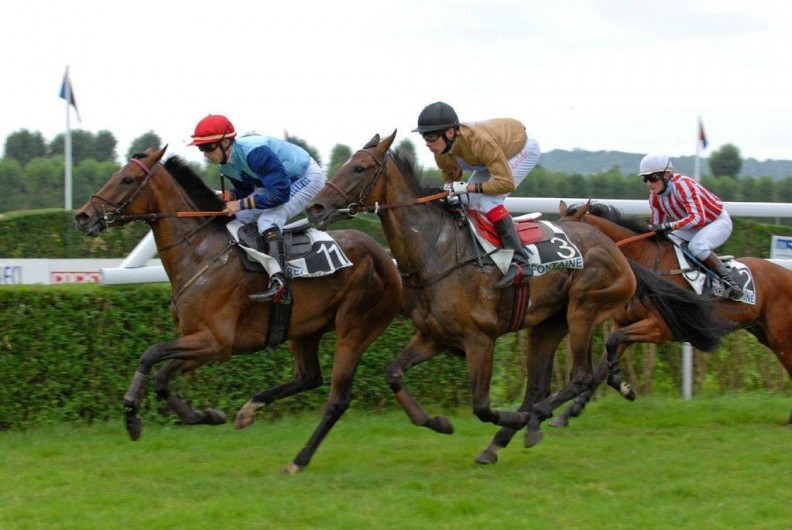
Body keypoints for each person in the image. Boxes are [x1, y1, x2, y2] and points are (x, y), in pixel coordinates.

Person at [189, 114, 326, 304]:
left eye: (208, 147)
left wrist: (240, 203)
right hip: (277, 183)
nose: (205, 154)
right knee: (237, 217)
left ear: (226, 142)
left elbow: (280, 194)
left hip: (306, 176)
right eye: (201, 148)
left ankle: (280, 282)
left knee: (268, 220)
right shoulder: (225, 166)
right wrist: (230, 197)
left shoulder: (255, 153)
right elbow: (245, 190)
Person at [412, 101, 541, 289]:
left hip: (521, 150)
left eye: (431, 137)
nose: (427, 143)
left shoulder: (478, 142)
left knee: (489, 200)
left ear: (450, 133)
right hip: (489, 158)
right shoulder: (440, 152)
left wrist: (469, 187)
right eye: (424, 137)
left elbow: (505, 184)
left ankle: (520, 262)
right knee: (464, 200)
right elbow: (452, 184)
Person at [639, 153, 743, 299]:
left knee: (697, 247)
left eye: (653, 177)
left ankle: (730, 282)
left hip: (717, 222)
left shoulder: (684, 186)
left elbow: (697, 218)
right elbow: (657, 226)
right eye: (645, 179)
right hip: (692, 227)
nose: (649, 183)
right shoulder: (654, 197)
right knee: (667, 240)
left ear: (667, 175)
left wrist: (669, 225)